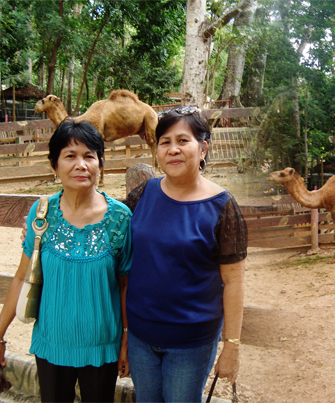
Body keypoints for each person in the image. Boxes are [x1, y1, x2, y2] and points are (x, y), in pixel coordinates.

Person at [0, 119, 132, 402]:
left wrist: (125, 340)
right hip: (52, 345)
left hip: (101, 349)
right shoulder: (42, 212)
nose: (80, 165)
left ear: (100, 164)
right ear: (54, 165)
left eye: (89, 156)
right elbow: (22, 277)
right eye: (70, 156)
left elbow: (125, 285)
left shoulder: (120, 219)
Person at [125, 106, 248, 402]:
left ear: (203, 148)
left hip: (191, 344)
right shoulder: (142, 196)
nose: (173, 149)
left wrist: (231, 346)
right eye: (165, 142)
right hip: (141, 337)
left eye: (183, 141)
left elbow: (233, 282)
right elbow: (105, 227)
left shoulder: (223, 208)